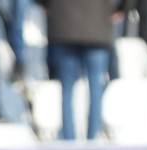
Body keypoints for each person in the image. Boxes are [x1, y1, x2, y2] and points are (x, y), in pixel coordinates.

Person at [42, 0, 112, 140]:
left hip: (65, 25)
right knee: (95, 88)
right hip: (96, 25)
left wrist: (48, 6)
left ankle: (69, 140)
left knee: (67, 90)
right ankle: (93, 139)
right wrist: (123, 8)